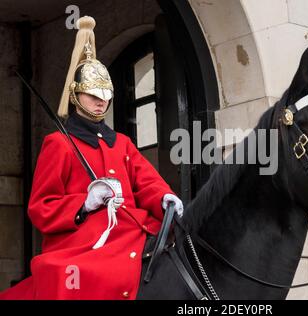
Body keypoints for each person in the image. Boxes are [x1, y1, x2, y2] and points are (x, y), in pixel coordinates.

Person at [0, 16, 183, 300]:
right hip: (82, 241)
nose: (101, 100)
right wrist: (84, 204)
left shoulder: (121, 143)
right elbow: (41, 207)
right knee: (63, 272)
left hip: (131, 229)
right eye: (93, 94)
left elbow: (146, 182)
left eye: (106, 94)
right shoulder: (59, 144)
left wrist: (164, 197)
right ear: (76, 95)